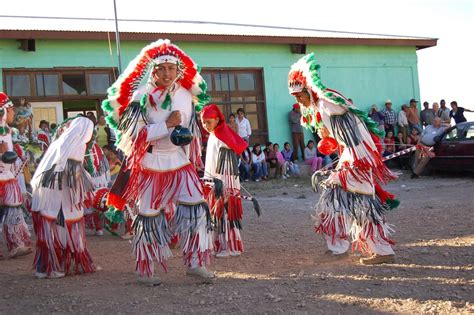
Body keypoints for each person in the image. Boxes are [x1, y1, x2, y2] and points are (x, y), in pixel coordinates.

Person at [102, 39, 214, 285]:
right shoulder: (140, 97)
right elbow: (134, 137)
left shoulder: (186, 95)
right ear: (152, 70)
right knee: (149, 215)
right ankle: (145, 269)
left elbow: (194, 128)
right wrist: (167, 125)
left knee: (196, 207)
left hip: (179, 161)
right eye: (161, 69)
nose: (166, 73)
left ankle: (195, 263)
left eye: (171, 69)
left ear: (178, 70)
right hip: (151, 164)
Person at [289, 53, 398, 265]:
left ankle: (382, 250)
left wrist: (356, 159)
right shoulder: (321, 106)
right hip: (352, 155)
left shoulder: (327, 101)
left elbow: (354, 125)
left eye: (299, 95)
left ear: (308, 89)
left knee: (363, 203)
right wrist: (329, 137)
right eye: (294, 97)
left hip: (358, 157)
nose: (298, 100)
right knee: (336, 197)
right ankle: (339, 247)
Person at [31, 116, 96, 278]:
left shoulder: (63, 143)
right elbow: (71, 174)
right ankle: (49, 267)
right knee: (56, 230)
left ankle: (53, 265)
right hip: (58, 197)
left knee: (58, 229)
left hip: (56, 197)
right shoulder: (72, 145)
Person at [201, 104, 248, 257]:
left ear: (216, 119)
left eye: (208, 122)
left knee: (225, 212)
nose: (205, 126)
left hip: (224, 181)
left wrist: (224, 185)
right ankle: (221, 244)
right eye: (203, 122)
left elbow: (227, 163)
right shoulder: (215, 134)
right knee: (217, 213)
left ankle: (229, 247)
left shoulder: (222, 134)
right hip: (215, 180)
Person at [0, 92, 32, 260]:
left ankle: (16, 243)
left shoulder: (7, 130)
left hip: (8, 177)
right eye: (10, 109)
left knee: (13, 210)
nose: (14, 113)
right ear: (3, 111)